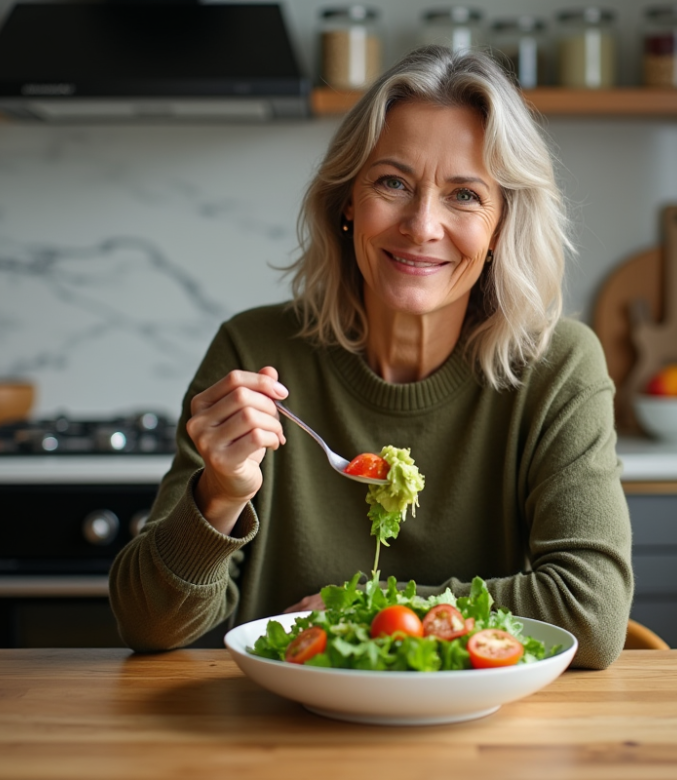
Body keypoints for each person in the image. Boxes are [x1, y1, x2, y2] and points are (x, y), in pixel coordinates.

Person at [109, 45, 633, 669]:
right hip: (281, 721)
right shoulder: (256, 353)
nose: (422, 225)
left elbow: (591, 612)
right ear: (348, 203)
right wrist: (218, 497)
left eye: (465, 195)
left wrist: (363, 612)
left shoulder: (558, 366)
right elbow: (147, 626)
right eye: (393, 183)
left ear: (500, 228)